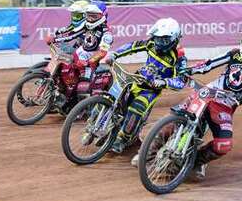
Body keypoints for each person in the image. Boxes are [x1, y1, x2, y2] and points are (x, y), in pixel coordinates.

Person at [104, 17, 188, 154]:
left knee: (136, 109)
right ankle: (98, 121)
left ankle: (122, 139)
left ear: (174, 39)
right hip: (136, 79)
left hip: (151, 90)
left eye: (164, 40)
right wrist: (114, 54)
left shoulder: (179, 57)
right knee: (114, 96)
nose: (159, 42)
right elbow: (133, 46)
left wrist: (164, 82)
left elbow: (181, 80)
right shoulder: (151, 43)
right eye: (157, 38)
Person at [187, 44, 242, 179]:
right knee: (179, 117)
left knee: (224, 144)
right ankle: (149, 151)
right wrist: (189, 70)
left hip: (224, 107)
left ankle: (196, 162)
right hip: (207, 93)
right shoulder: (235, 54)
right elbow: (209, 64)